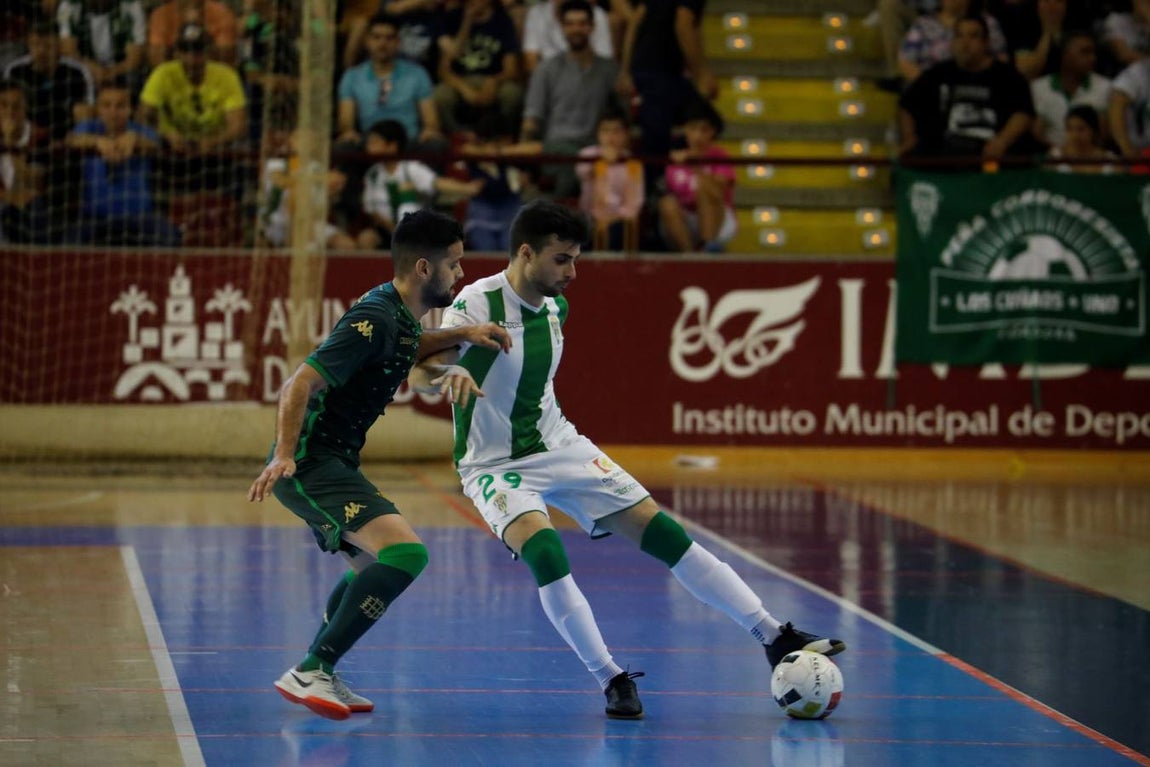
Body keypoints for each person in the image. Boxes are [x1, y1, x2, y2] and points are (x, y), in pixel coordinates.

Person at [412, 199, 846, 720]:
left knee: (663, 532)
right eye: (561, 259)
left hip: (560, 444)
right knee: (546, 552)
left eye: (576, 259)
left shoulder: (555, 307)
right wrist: (447, 376)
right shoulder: (476, 302)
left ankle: (773, 635)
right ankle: (611, 678)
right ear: (526, 253)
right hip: (493, 464)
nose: (572, 272)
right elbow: (421, 369)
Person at [248, 208, 513, 721]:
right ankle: (313, 667)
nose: (459, 276)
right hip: (310, 464)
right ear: (422, 269)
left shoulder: (401, 317)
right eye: (453, 266)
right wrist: (284, 454)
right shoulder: (372, 319)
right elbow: (300, 382)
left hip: (335, 463)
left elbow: (410, 347)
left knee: (374, 564)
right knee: (407, 556)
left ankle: (322, 668)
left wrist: (467, 333)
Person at [520, 0, 623, 198]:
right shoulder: (546, 69)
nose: (576, 29)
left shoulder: (610, 70)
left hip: (594, 150)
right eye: (570, 24)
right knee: (570, 170)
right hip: (556, 150)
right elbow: (531, 120)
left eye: (582, 23)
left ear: (592, 27)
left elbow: (621, 116)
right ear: (562, 27)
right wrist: (526, 166)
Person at [898, 14, 1035, 162]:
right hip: (944, 160)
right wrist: (909, 136)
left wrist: (1002, 141)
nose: (965, 43)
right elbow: (907, 105)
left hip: (993, 161)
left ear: (986, 43)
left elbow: (1023, 113)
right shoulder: (938, 74)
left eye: (973, 36)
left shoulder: (1008, 77)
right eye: (959, 36)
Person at [64, 82, 182, 247]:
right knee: (69, 244)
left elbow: (154, 145)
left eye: (120, 106)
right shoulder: (89, 127)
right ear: (98, 109)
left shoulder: (141, 130)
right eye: (107, 105)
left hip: (140, 215)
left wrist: (134, 139)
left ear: (130, 109)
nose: (113, 112)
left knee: (171, 239)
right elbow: (71, 140)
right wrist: (98, 141)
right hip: (94, 215)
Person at [355, 119, 483, 250]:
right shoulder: (373, 174)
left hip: (415, 231)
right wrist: (393, 229)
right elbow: (372, 211)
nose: (368, 147)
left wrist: (467, 188)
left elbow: (437, 183)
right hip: (385, 229)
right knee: (366, 238)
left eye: (375, 142)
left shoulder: (410, 168)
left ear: (392, 146)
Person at [336, 13, 445, 154]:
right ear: (367, 41)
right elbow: (346, 121)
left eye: (389, 38)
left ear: (398, 42)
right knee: (344, 147)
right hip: (370, 143)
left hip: (408, 142)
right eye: (376, 38)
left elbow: (431, 119)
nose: (382, 44)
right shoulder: (352, 76)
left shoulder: (417, 73)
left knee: (435, 145)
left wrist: (430, 130)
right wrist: (348, 132)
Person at [659, 100, 736, 253]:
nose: (698, 136)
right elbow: (673, 194)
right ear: (685, 130)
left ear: (712, 132)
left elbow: (718, 192)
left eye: (704, 130)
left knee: (704, 190)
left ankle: (708, 245)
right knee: (667, 203)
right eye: (693, 129)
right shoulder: (675, 159)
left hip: (718, 217)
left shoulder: (720, 156)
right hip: (687, 220)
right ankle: (689, 256)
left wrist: (696, 167)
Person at [3, 16, 95, 141]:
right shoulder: (15, 70)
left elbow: (86, 112)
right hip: (26, 136)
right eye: (35, 44)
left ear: (58, 44)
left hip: (67, 139)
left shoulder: (77, 72)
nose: (41, 51)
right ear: (28, 44)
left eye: (47, 45)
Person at [1030, 30, 1111, 149]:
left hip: (1093, 160)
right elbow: (1036, 132)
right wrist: (1060, 152)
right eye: (1085, 52)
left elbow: (1104, 134)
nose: (1093, 58)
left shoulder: (1106, 87)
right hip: (1052, 159)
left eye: (1093, 52)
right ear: (1065, 55)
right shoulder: (1038, 88)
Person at [576, 108, 643, 250]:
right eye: (605, 131)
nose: (610, 137)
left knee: (617, 230)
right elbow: (581, 171)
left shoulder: (633, 164)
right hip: (589, 219)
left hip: (618, 222)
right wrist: (601, 162)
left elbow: (634, 205)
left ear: (626, 135)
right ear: (598, 134)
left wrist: (611, 218)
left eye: (616, 131)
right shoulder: (588, 154)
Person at [1047, 104, 1117, 172]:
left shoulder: (1111, 161)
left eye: (1081, 129)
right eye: (1070, 129)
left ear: (1093, 131)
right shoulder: (1055, 158)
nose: (1075, 135)